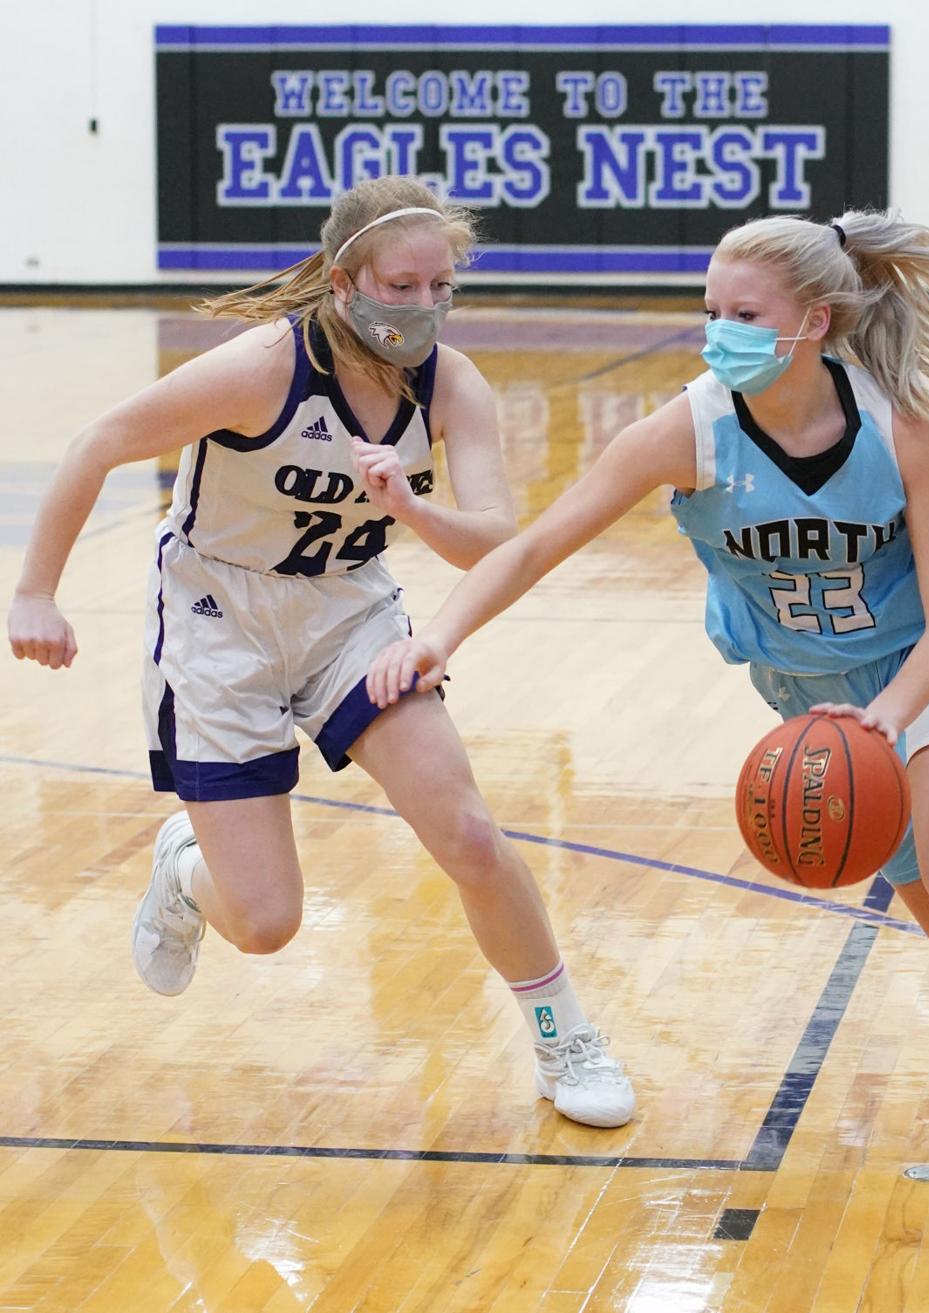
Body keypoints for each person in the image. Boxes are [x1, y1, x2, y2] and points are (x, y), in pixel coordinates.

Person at [355, 210, 929, 1248]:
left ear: (814, 321)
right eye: (710, 310)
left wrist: (888, 717)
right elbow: (537, 544)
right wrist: (441, 634)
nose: (718, 331)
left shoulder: (899, 427)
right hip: (810, 692)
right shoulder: (687, 431)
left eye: (744, 313)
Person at [6, 175, 634, 1130]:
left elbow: (498, 538)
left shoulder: (451, 383)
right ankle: (184, 868)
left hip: (350, 610)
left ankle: (565, 1035)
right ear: (345, 282)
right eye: (403, 285)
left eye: (441, 286)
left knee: (466, 830)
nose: (425, 305)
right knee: (264, 923)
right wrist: (35, 591)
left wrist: (413, 509)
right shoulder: (263, 364)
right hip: (221, 612)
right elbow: (99, 443)